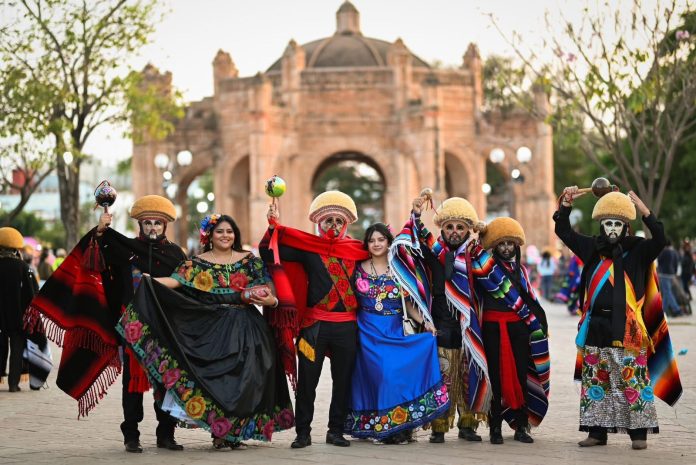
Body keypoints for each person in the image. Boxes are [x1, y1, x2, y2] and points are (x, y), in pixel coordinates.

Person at [24, 195, 187, 453]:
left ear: (165, 225)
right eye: (147, 223)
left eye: (157, 223)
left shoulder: (176, 254)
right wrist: (100, 231)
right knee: (132, 383)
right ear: (140, 225)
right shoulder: (126, 249)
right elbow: (94, 254)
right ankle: (131, 435)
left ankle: (166, 433)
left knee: (166, 381)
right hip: (133, 326)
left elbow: (186, 287)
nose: (153, 228)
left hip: (166, 326)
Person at [117, 213, 294, 449]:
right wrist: (149, 281)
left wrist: (271, 300)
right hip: (213, 329)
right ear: (210, 235)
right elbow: (175, 281)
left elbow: (269, 289)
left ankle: (234, 433)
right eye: (219, 231)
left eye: (229, 231)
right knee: (220, 384)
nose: (225, 236)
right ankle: (220, 433)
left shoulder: (250, 261)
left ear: (235, 235)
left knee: (248, 383)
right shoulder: (197, 263)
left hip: (249, 330)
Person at [555, 187, 683, 450]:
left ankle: (639, 435)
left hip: (629, 328)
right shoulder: (591, 247)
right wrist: (565, 205)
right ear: (601, 225)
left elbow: (660, 238)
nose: (612, 229)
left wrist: (645, 211)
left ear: (625, 227)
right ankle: (596, 433)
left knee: (633, 379)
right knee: (596, 380)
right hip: (596, 327)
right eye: (608, 223)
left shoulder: (639, 250)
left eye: (618, 224)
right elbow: (563, 231)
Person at [259, 190, 370, 449]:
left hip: (347, 327)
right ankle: (303, 433)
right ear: (319, 223)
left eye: (339, 221)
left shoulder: (357, 251)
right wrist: (273, 226)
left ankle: (336, 431)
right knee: (308, 380)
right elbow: (269, 252)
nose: (334, 225)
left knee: (343, 380)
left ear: (346, 224)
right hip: (314, 326)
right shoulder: (308, 249)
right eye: (328, 220)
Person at [390, 196, 489, 444]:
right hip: (440, 322)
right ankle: (439, 427)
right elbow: (412, 241)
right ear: (442, 229)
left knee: (468, 376)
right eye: (449, 227)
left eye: (460, 227)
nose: (454, 232)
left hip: (468, 324)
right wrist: (415, 214)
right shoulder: (433, 251)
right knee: (442, 377)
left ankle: (468, 425)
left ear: (467, 230)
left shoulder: (475, 254)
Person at [345, 223, 449, 444]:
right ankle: (379, 427)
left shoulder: (399, 269)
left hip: (393, 330)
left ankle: (397, 427)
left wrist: (425, 322)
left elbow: (408, 304)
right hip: (367, 331)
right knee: (378, 377)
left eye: (380, 240)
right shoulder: (357, 268)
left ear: (389, 242)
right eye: (372, 240)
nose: (376, 244)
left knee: (391, 376)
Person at [475, 217, 550, 444]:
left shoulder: (522, 271)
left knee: (521, 375)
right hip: (492, 328)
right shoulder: (485, 268)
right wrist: (479, 236)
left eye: (510, 243)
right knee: (495, 377)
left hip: (518, 328)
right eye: (501, 243)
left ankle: (521, 426)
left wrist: (538, 327)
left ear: (516, 246)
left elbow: (529, 300)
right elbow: (472, 255)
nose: (506, 248)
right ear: (494, 246)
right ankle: (495, 427)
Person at [0, 227, 38, 391]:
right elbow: (32, 293)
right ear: (16, 249)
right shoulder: (23, 267)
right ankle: (13, 384)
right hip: (18, 317)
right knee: (17, 349)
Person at [657, 241, 681, 317]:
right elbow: (676, 263)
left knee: (667, 292)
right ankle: (663, 310)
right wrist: (674, 272)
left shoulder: (664, 251)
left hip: (664, 274)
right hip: (671, 274)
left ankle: (676, 309)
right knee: (667, 292)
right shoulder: (674, 252)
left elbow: (659, 260)